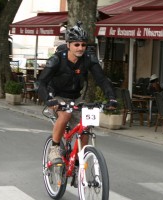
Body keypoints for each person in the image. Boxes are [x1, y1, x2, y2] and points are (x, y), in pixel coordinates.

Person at [38, 21, 117, 164]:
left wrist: (111, 98)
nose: (80, 48)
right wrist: (49, 100)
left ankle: (81, 156)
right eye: (76, 44)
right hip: (56, 95)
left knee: (85, 125)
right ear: (68, 45)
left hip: (76, 97)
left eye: (83, 45)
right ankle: (55, 148)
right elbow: (41, 82)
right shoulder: (57, 60)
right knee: (66, 114)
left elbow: (102, 80)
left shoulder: (89, 59)